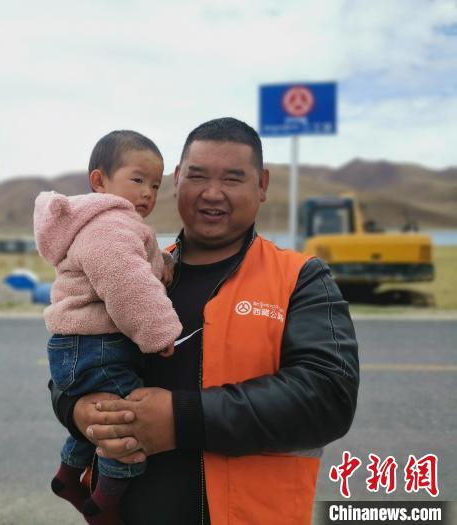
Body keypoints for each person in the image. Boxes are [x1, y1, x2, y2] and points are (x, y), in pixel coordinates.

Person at [51, 117, 360, 525]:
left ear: (262, 185)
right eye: (197, 176)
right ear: (177, 179)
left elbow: (328, 398)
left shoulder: (300, 278)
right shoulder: (134, 272)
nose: (212, 193)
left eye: (233, 178)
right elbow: (77, 353)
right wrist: (76, 409)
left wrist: (179, 419)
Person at [34, 130, 183, 524]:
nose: (148, 192)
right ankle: (104, 504)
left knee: (101, 418)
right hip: (97, 345)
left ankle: (68, 475)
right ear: (99, 180)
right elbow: (125, 282)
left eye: (156, 185)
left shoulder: (111, 224)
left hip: (84, 345)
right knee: (126, 424)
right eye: (138, 179)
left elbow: (134, 263)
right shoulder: (108, 225)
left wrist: (164, 264)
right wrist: (158, 332)